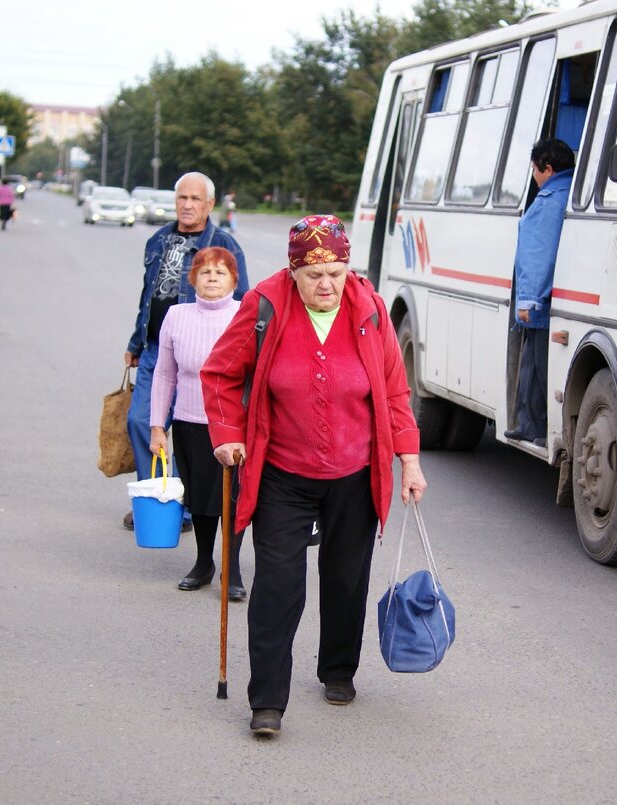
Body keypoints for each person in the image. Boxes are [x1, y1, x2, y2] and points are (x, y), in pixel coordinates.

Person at [201, 214, 427, 737]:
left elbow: (394, 391)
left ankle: (338, 669)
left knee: (347, 577)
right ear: (293, 271)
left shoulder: (368, 309)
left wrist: (409, 460)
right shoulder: (265, 304)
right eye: (314, 275)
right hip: (283, 470)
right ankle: (267, 702)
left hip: (355, 471)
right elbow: (218, 373)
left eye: (336, 273)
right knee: (278, 584)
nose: (326, 285)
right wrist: (226, 433)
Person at [123, 171, 249, 531]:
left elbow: (243, 303)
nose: (187, 205)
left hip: (205, 357)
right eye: (182, 198)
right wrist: (135, 343)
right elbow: (149, 297)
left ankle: (189, 503)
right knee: (142, 421)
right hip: (157, 348)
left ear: (210, 204)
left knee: (195, 434)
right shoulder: (157, 240)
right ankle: (159, 496)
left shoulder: (224, 244)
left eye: (195, 199)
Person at [149, 246, 247, 600]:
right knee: (201, 500)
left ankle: (232, 569)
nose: (212, 279)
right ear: (192, 279)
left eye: (220, 273)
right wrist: (157, 427)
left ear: (234, 280)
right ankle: (203, 564)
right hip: (190, 423)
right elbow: (164, 374)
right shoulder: (176, 315)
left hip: (233, 428)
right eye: (205, 272)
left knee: (232, 500)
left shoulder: (245, 315)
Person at [504, 138, 575, 447]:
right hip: (559, 294)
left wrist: (529, 299)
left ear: (547, 168)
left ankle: (532, 426)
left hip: (540, 301)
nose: (533, 175)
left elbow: (538, 254)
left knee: (534, 365)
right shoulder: (572, 192)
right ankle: (533, 424)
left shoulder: (549, 199)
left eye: (535, 169)